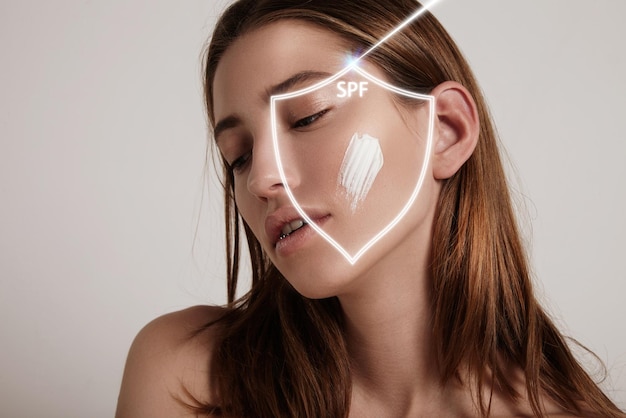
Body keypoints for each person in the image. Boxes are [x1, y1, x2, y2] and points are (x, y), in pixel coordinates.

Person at [116, 0, 625, 417]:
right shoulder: (190, 378)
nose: (263, 178)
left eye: (308, 116)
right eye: (239, 155)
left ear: (445, 130)